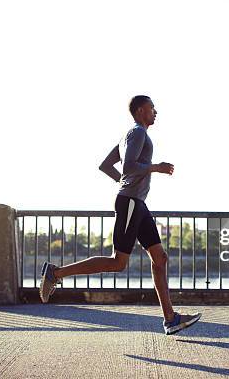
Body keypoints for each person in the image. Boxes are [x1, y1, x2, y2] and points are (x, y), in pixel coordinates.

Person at [39, 95, 201, 335]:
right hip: (131, 203)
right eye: (152, 108)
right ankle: (55, 273)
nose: (156, 112)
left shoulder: (128, 136)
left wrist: (125, 184)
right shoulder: (138, 133)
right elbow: (127, 167)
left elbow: (106, 165)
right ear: (140, 110)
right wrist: (155, 168)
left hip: (137, 203)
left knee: (160, 258)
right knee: (118, 262)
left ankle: (170, 318)